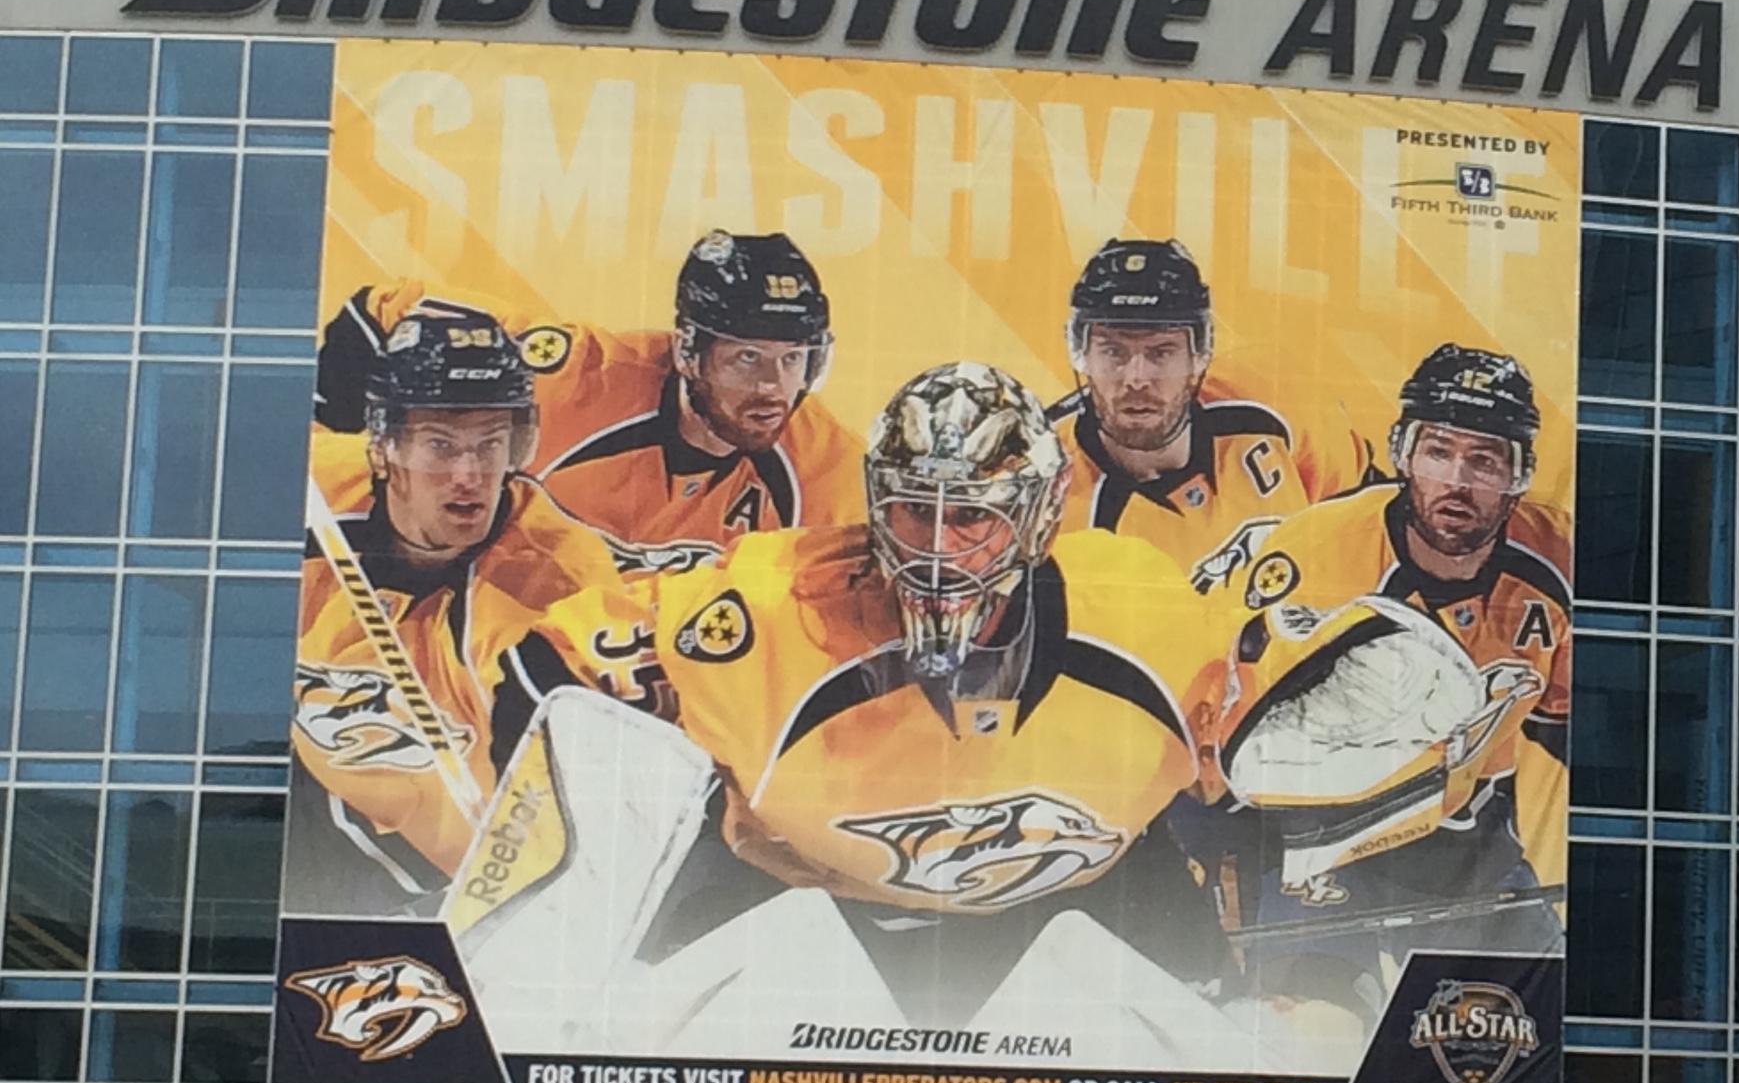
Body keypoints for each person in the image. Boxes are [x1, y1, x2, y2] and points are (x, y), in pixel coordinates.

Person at [634, 360, 1231, 1016]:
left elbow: (1263, 754)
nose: (938, 549)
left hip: (1076, 924)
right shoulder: (768, 605)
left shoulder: (1147, 614)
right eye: (917, 508)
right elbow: (566, 672)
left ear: (1039, 514)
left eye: (971, 514)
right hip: (812, 929)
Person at [1210, 343, 1571, 952]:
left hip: (1468, 851)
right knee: (1311, 1010)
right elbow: (1239, 736)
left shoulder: (1557, 562)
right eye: (1439, 451)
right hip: (1320, 844)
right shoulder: (1314, 550)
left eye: (1485, 461)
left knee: (1522, 1001)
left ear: (1520, 475)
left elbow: (1564, 727)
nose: (1457, 482)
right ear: (1403, 452)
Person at [289, 307, 658, 903]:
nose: (469, 474)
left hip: (426, 878)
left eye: (491, 445)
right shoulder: (309, 489)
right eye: (440, 445)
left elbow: (568, 801)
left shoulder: (554, 581)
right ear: (384, 447)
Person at [316, 230, 860, 575]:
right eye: (747, 358)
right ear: (688, 351)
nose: (772, 387)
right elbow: (380, 313)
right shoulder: (579, 378)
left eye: (793, 359)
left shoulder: (824, 467)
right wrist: (330, 448)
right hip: (497, 636)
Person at [1054, 237, 1307, 588]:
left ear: (1200, 352)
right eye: (1113, 351)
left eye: (1161, 352)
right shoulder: (1046, 493)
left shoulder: (1272, 398)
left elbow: (1361, 520)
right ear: (1080, 352)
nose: (1136, 379)